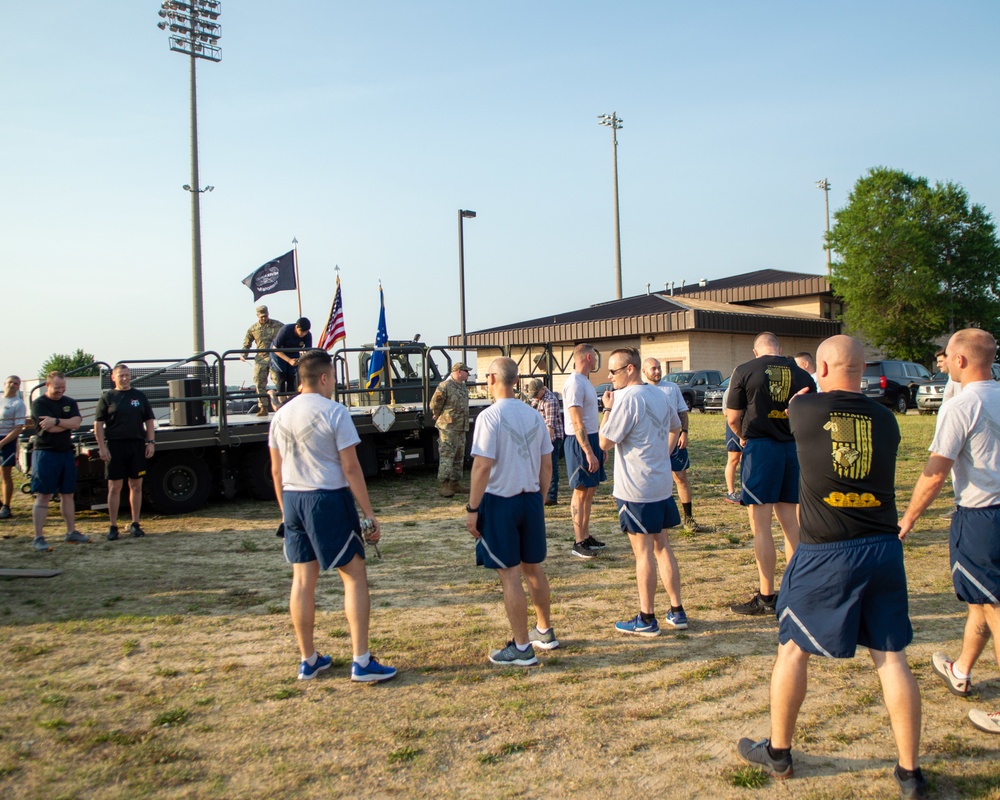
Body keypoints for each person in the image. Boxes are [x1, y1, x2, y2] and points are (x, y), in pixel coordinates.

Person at [737, 335, 926, 799]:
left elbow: (789, 403)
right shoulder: (886, 418)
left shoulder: (805, 411)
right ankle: (909, 773)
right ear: (863, 370)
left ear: (820, 368)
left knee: (792, 650)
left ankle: (778, 752)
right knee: (891, 658)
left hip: (826, 550)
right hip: (882, 545)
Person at [268, 349, 396, 683]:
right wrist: (368, 514)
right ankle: (362, 661)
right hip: (327, 497)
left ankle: (308, 659)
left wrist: (286, 510)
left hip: (294, 497)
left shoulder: (281, 415)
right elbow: (351, 467)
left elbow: (276, 468)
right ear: (324, 377)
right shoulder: (335, 412)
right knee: (354, 575)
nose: (334, 384)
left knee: (302, 580)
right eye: (333, 378)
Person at [899, 328, 1000, 736]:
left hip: (981, 517)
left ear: (958, 361)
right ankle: (961, 670)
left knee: (994, 607)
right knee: (981, 599)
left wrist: (907, 519)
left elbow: (935, 473)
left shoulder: (963, 405)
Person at [466, 357, 557, 666]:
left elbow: (481, 467)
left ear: (492, 379)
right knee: (532, 567)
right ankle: (544, 630)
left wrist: (472, 508)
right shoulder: (533, 416)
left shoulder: (489, 417)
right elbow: (547, 464)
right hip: (530, 498)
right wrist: (540, 499)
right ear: (516, 381)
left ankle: (520, 647)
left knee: (509, 574)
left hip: (501, 501)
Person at [725, 331, 813, 615]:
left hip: (761, 449)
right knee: (791, 523)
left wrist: (741, 438)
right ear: (780, 349)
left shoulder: (745, 370)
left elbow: (733, 416)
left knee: (760, 524)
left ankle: (766, 595)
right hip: (792, 448)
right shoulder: (800, 373)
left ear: (756, 351)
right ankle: (799, 590)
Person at [601, 348, 688, 635]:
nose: (609, 377)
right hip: (659, 483)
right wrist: (663, 454)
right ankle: (677, 610)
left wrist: (608, 409)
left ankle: (647, 617)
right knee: (662, 546)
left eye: (613, 371)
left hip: (636, 488)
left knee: (643, 553)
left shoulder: (628, 399)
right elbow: (676, 426)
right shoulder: (660, 395)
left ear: (630, 369)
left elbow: (605, 442)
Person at [640, 357, 705, 532]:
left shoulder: (671, 388)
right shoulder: (640, 391)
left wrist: (684, 433)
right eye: (653, 368)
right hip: (651, 442)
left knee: (680, 477)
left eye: (659, 368)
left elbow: (682, 411)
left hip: (674, 441)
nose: (657, 371)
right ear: (644, 372)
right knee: (652, 479)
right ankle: (653, 518)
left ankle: (688, 518)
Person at [94, 364, 156, 540]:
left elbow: (149, 420)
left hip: (136, 445)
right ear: (113, 377)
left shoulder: (139, 396)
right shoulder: (107, 397)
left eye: (127, 375)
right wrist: (102, 447)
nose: (125, 378)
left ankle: (135, 523)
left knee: (136, 486)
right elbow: (98, 424)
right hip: (115, 446)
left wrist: (150, 442)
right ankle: (113, 526)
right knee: (114, 487)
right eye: (121, 375)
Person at [30, 372, 90, 551]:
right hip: (45, 454)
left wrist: (57, 421)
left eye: (63, 388)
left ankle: (71, 532)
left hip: (65, 453)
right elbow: (49, 429)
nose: (60, 391)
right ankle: (38, 537)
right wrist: (65, 423)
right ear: (47, 385)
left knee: (68, 493)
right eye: (56, 388)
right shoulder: (39, 404)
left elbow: (76, 423)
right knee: (43, 495)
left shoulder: (70, 402)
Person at [563, 343, 607, 558]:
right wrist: (588, 451)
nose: (597, 360)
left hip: (591, 439)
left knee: (590, 490)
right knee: (580, 491)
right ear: (588, 357)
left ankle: (586, 535)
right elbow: (576, 421)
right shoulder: (574, 384)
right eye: (596, 356)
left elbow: (590, 421)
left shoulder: (585, 382)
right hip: (579, 443)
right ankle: (578, 541)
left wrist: (599, 446)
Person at [430, 362, 471, 498]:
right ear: (459, 372)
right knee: (447, 456)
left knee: (459, 456)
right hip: (448, 427)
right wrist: (437, 414)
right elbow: (435, 403)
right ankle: (444, 485)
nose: (468, 374)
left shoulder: (463, 387)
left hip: (460, 427)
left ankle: (455, 483)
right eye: (466, 371)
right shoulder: (445, 386)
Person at [526, 377, 564, 506]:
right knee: (539, 466)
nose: (535, 397)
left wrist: (546, 445)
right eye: (533, 395)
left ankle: (551, 496)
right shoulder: (537, 399)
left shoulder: (550, 401)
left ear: (543, 389)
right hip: (539, 437)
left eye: (536, 394)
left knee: (551, 466)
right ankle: (541, 492)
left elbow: (550, 426)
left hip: (551, 438)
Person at [241, 304, 284, 416]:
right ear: (257, 316)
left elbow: (287, 336)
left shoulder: (278, 325)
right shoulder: (253, 329)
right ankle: (263, 407)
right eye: (261, 317)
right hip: (261, 358)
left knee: (278, 380)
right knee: (259, 381)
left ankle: (282, 405)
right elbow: (247, 343)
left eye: (265, 316)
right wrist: (244, 355)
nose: (264, 318)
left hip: (275, 357)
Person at [270, 317, 312, 406]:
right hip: (279, 353)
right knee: (281, 376)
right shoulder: (285, 330)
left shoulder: (308, 335)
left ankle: (290, 403)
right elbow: (275, 348)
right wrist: (288, 360)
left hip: (293, 353)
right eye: (302, 331)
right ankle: (281, 402)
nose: (303, 334)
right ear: (297, 327)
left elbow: (308, 352)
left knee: (292, 378)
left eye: (306, 332)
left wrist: (300, 360)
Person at [0, 376, 27, 520]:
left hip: (7, 440)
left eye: (15, 383)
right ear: (5, 384)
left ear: (18, 387)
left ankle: (6, 506)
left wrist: (2, 443)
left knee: (5, 474)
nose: (12, 385)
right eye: (10, 382)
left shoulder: (18, 404)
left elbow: (18, 428)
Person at [722, 377, 743, 504]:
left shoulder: (745, 390)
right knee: (733, 459)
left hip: (747, 429)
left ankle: (744, 490)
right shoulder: (729, 392)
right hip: (734, 430)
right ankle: (731, 492)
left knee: (745, 460)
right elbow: (726, 413)